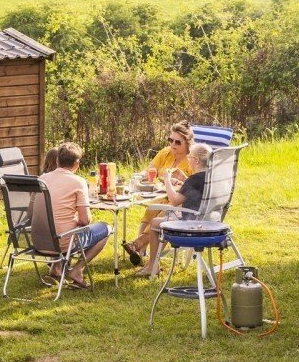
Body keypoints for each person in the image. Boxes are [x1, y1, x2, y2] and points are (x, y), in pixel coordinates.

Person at [37, 142, 111, 287]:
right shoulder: (79, 182)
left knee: (61, 225)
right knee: (106, 229)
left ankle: (56, 267)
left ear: (57, 161)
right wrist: (76, 218)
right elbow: (85, 220)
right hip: (63, 242)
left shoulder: (41, 180)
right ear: (77, 164)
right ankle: (76, 270)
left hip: (39, 241)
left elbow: (33, 211)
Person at [122, 121, 195, 269]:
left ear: (187, 144)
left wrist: (179, 182)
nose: (173, 144)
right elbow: (151, 169)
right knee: (150, 210)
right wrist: (141, 175)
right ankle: (141, 251)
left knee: (162, 215)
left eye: (177, 142)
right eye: (170, 140)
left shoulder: (192, 161)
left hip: (180, 201)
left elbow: (193, 187)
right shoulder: (165, 153)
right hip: (160, 194)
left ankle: (137, 244)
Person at [133, 142, 211, 277]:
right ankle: (151, 262)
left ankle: (152, 266)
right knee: (162, 218)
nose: (188, 159)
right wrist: (184, 180)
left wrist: (167, 180)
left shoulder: (194, 179)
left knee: (155, 223)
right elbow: (197, 190)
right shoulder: (208, 177)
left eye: (190, 157)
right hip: (205, 219)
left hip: (191, 224)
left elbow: (175, 201)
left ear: (196, 160)